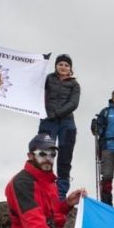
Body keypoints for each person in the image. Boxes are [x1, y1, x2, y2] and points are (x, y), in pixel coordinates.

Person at [38, 54, 80, 200]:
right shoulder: (48, 78)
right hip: (48, 121)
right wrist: (39, 63)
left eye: (66, 65)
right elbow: (34, 86)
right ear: (56, 66)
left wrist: (56, 113)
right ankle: (43, 189)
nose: (63, 67)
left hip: (66, 123)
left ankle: (60, 194)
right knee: (44, 154)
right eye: (60, 64)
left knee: (65, 156)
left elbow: (74, 103)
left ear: (70, 69)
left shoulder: (75, 84)